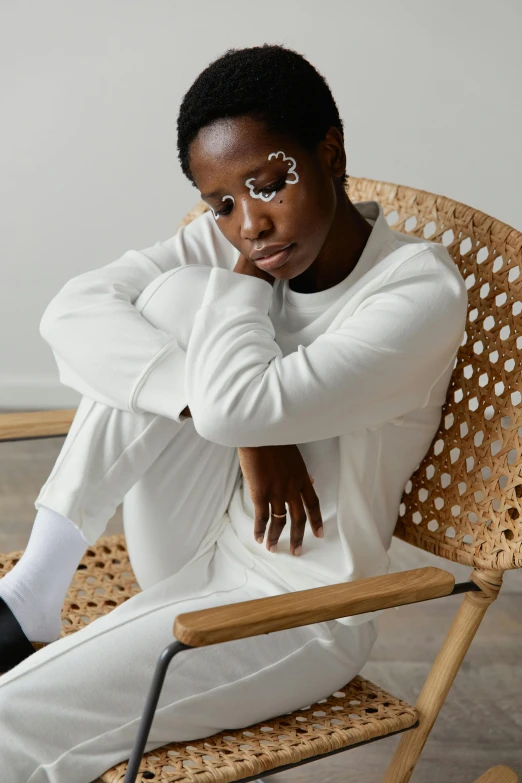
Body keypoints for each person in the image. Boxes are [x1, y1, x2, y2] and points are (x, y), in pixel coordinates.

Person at [0, 43, 468, 782]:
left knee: (11, 719)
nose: (248, 224)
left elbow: (247, 403)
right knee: (164, 299)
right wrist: (244, 432)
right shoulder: (245, 247)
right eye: (222, 204)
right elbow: (72, 312)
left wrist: (246, 398)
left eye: (269, 182)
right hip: (196, 538)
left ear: (330, 151)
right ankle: (37, 587)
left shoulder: (415, 293)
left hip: (302, 605)